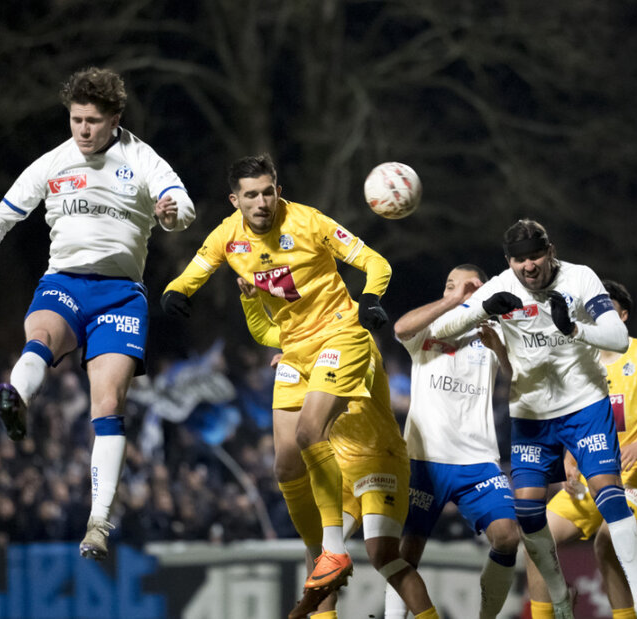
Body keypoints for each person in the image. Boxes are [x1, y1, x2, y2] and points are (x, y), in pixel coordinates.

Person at [161, 154, 437, 618]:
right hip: (293, 352)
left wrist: (368, 299)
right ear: (236, 200)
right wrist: (176, 291)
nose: (263, 201)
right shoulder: (228, 236)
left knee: (312, 432)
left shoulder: (308, 222)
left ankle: (333, 550)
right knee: (286, 467)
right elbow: (198, 269)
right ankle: (322, 554)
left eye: (269, 191)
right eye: (251, 194)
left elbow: (375, 262)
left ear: (278, 189)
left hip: (341, 335)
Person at [0, 67, 195, 561]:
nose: (82, 130)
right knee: (39, 333)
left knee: (108, 404)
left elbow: (181, 204)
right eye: (76, 119)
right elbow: (5, 214)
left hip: (121, 295)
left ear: (115, 118)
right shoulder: (55, 162)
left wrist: (171, 213)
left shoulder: (142, 159)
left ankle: (98, 522)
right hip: (65, 282)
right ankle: (16, 399)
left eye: (93, 121)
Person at [428, 220, 637, 619]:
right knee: (528, 515)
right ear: (509, 260)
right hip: (531, 413)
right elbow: (439, 329)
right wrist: (480, 309)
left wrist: (574, 327)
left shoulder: (580, 278)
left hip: (584, 404)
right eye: (519, 259)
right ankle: (560, 595)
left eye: (535, 256)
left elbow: (619, 338)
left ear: (551, 251)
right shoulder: (498, 287)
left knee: (608, 495)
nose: (528, 266)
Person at [525, 281, 637, 619]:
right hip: (591, 476)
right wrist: (569, 462)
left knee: (608, 541)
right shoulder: (580, 363)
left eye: (604, 308)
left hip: (636, 475)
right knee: (535, 540)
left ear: (623, 316)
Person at [384, 264, 519, 619]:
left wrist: (500, 350)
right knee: (405, 555)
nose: (455, 291)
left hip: (478, 461)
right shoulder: (427, 329)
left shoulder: (492, 332)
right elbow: (399, 328)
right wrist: (453, 301)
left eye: (467, 286)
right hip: (424, 459)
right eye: (449, 285)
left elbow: (516, 379)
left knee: (507, 537)